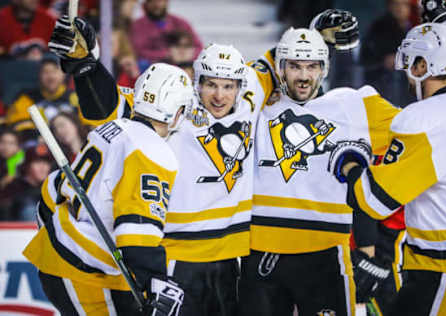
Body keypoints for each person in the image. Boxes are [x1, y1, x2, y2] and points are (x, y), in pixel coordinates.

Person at [46, 14, 275, 315]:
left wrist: (320, 35)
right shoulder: (173, 105)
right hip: (177, 256)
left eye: (228, 86)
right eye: (210, 85)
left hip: (232, 258)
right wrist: (87, 66)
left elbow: (285, 64)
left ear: (240, 85)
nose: (219, 96)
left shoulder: (251, 95)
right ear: (197, 82)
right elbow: (106, 104)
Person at [238, 12, 401, 316]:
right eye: (295, 66)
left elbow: (419, 131)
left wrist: (374, 248)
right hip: (260, 250)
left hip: (327, 252)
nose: (303, 76)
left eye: (312, 66)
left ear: (324, 68)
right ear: (280, 68)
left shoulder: (355, 105)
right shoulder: (258, 107)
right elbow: (239, 85)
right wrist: (296, 41)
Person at [330, 17, 446, 316]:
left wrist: (348, 161)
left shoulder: (423, 121)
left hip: (443, 261)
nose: (409, 74)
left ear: (423, 66)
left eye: (413, 63)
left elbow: (374, 200)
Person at [22, 62, 193, 315]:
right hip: (84, 270)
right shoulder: (153, 152)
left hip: (64, 258)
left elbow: (57, 183)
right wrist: (157, 283)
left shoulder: (112, 128)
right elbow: (137, 235)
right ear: (177, 112)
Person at [6, 55, 78, 131]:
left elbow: (89, 124)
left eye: (55, 71)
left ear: (64, 74)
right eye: (45, 72)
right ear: (39, 75)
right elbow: (17, 126)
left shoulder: (75, 97)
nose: (51, 77)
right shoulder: (28, 98)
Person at [129, 0, 202, 68]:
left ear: (167, 2)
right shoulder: (138, 25)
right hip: (154, 67)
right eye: (153, 1)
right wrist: (166, 54)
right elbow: (138, 51)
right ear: (146, 4)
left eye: (160, 1)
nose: (157, 5)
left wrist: (185, 54)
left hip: (183, 65)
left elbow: (199, 48)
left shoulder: (180, 22)